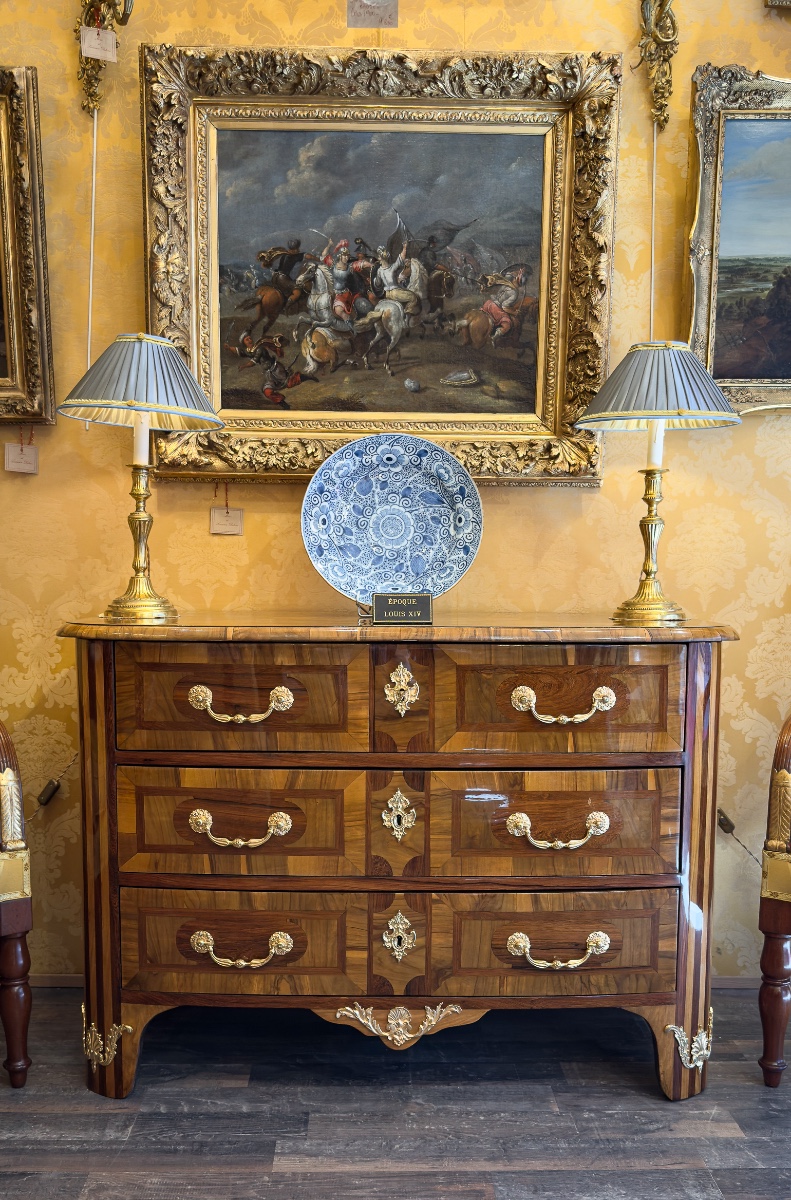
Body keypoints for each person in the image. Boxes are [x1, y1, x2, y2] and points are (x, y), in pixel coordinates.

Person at [224, 332, 314, 409]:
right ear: (244, 343)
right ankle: (285, 405)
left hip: (276, 369)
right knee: (267, 391)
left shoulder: (259, 349)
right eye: (247, 339)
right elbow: (240, 351)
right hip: (269, 374)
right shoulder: (250, 351)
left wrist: (244, 366)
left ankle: (306, 377)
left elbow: (253, 362)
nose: (250, 340)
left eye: (250, 338)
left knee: (289, 383)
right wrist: (229, 348)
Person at [480, 266, 527, 346]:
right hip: (496, 308)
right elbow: (504, 307)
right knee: (507, 324)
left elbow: (497, 296)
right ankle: (494, 338)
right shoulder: (514, 293)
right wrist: (515, 312)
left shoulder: (506, 285)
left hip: (489, 303)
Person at [375, 243, 421, 317]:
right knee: (413, 297)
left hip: (386, 294)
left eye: (378, 257)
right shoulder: (393, 267)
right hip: (395, 293)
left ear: (380, 258)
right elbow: (401, 257)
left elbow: (377, 284)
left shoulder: (379, 271)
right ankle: (406, 317)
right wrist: (405, 247)